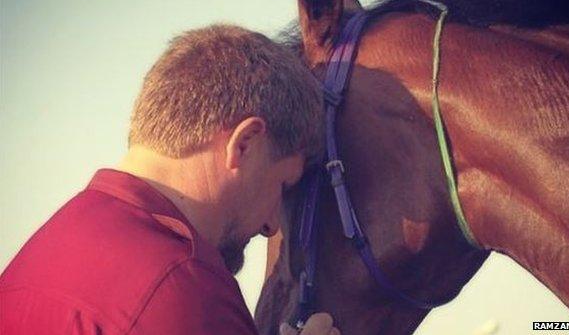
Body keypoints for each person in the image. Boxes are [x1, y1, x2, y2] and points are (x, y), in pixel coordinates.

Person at [0, 25, 339, 335]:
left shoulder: (43, 251)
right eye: (282, 185)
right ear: (245, 143)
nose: (271, 224)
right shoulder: (189, 290)